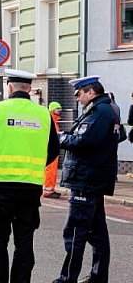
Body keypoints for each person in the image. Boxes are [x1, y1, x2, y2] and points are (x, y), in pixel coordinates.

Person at [0, 69, 59, 283]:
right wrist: (35, 165)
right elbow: (54, 150)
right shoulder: (43, 114)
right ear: (29, 89)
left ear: (9, 87)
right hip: (30, 190)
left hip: (0, 188)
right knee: (24, 244)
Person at [53, 76, 123, 283]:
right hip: (94, 178)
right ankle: (98, 277)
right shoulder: (110, 108)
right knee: (97, 233)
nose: (77, 98)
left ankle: (67, 279)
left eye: (79, 94)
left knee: (75, 232)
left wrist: (60, 138)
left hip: (86, 179)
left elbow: (83, 140)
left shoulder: (99, 111)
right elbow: (119, 136)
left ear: (90, 92)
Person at [43, 102, 63, 199]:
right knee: (50, 170)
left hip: (51, 148)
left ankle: (50, 189)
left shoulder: (53, 120)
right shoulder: (52, 120)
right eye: (57, 108)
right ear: (52, 109)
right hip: (50, 149)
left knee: (52, 170)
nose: (60, 110)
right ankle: (48, 190)